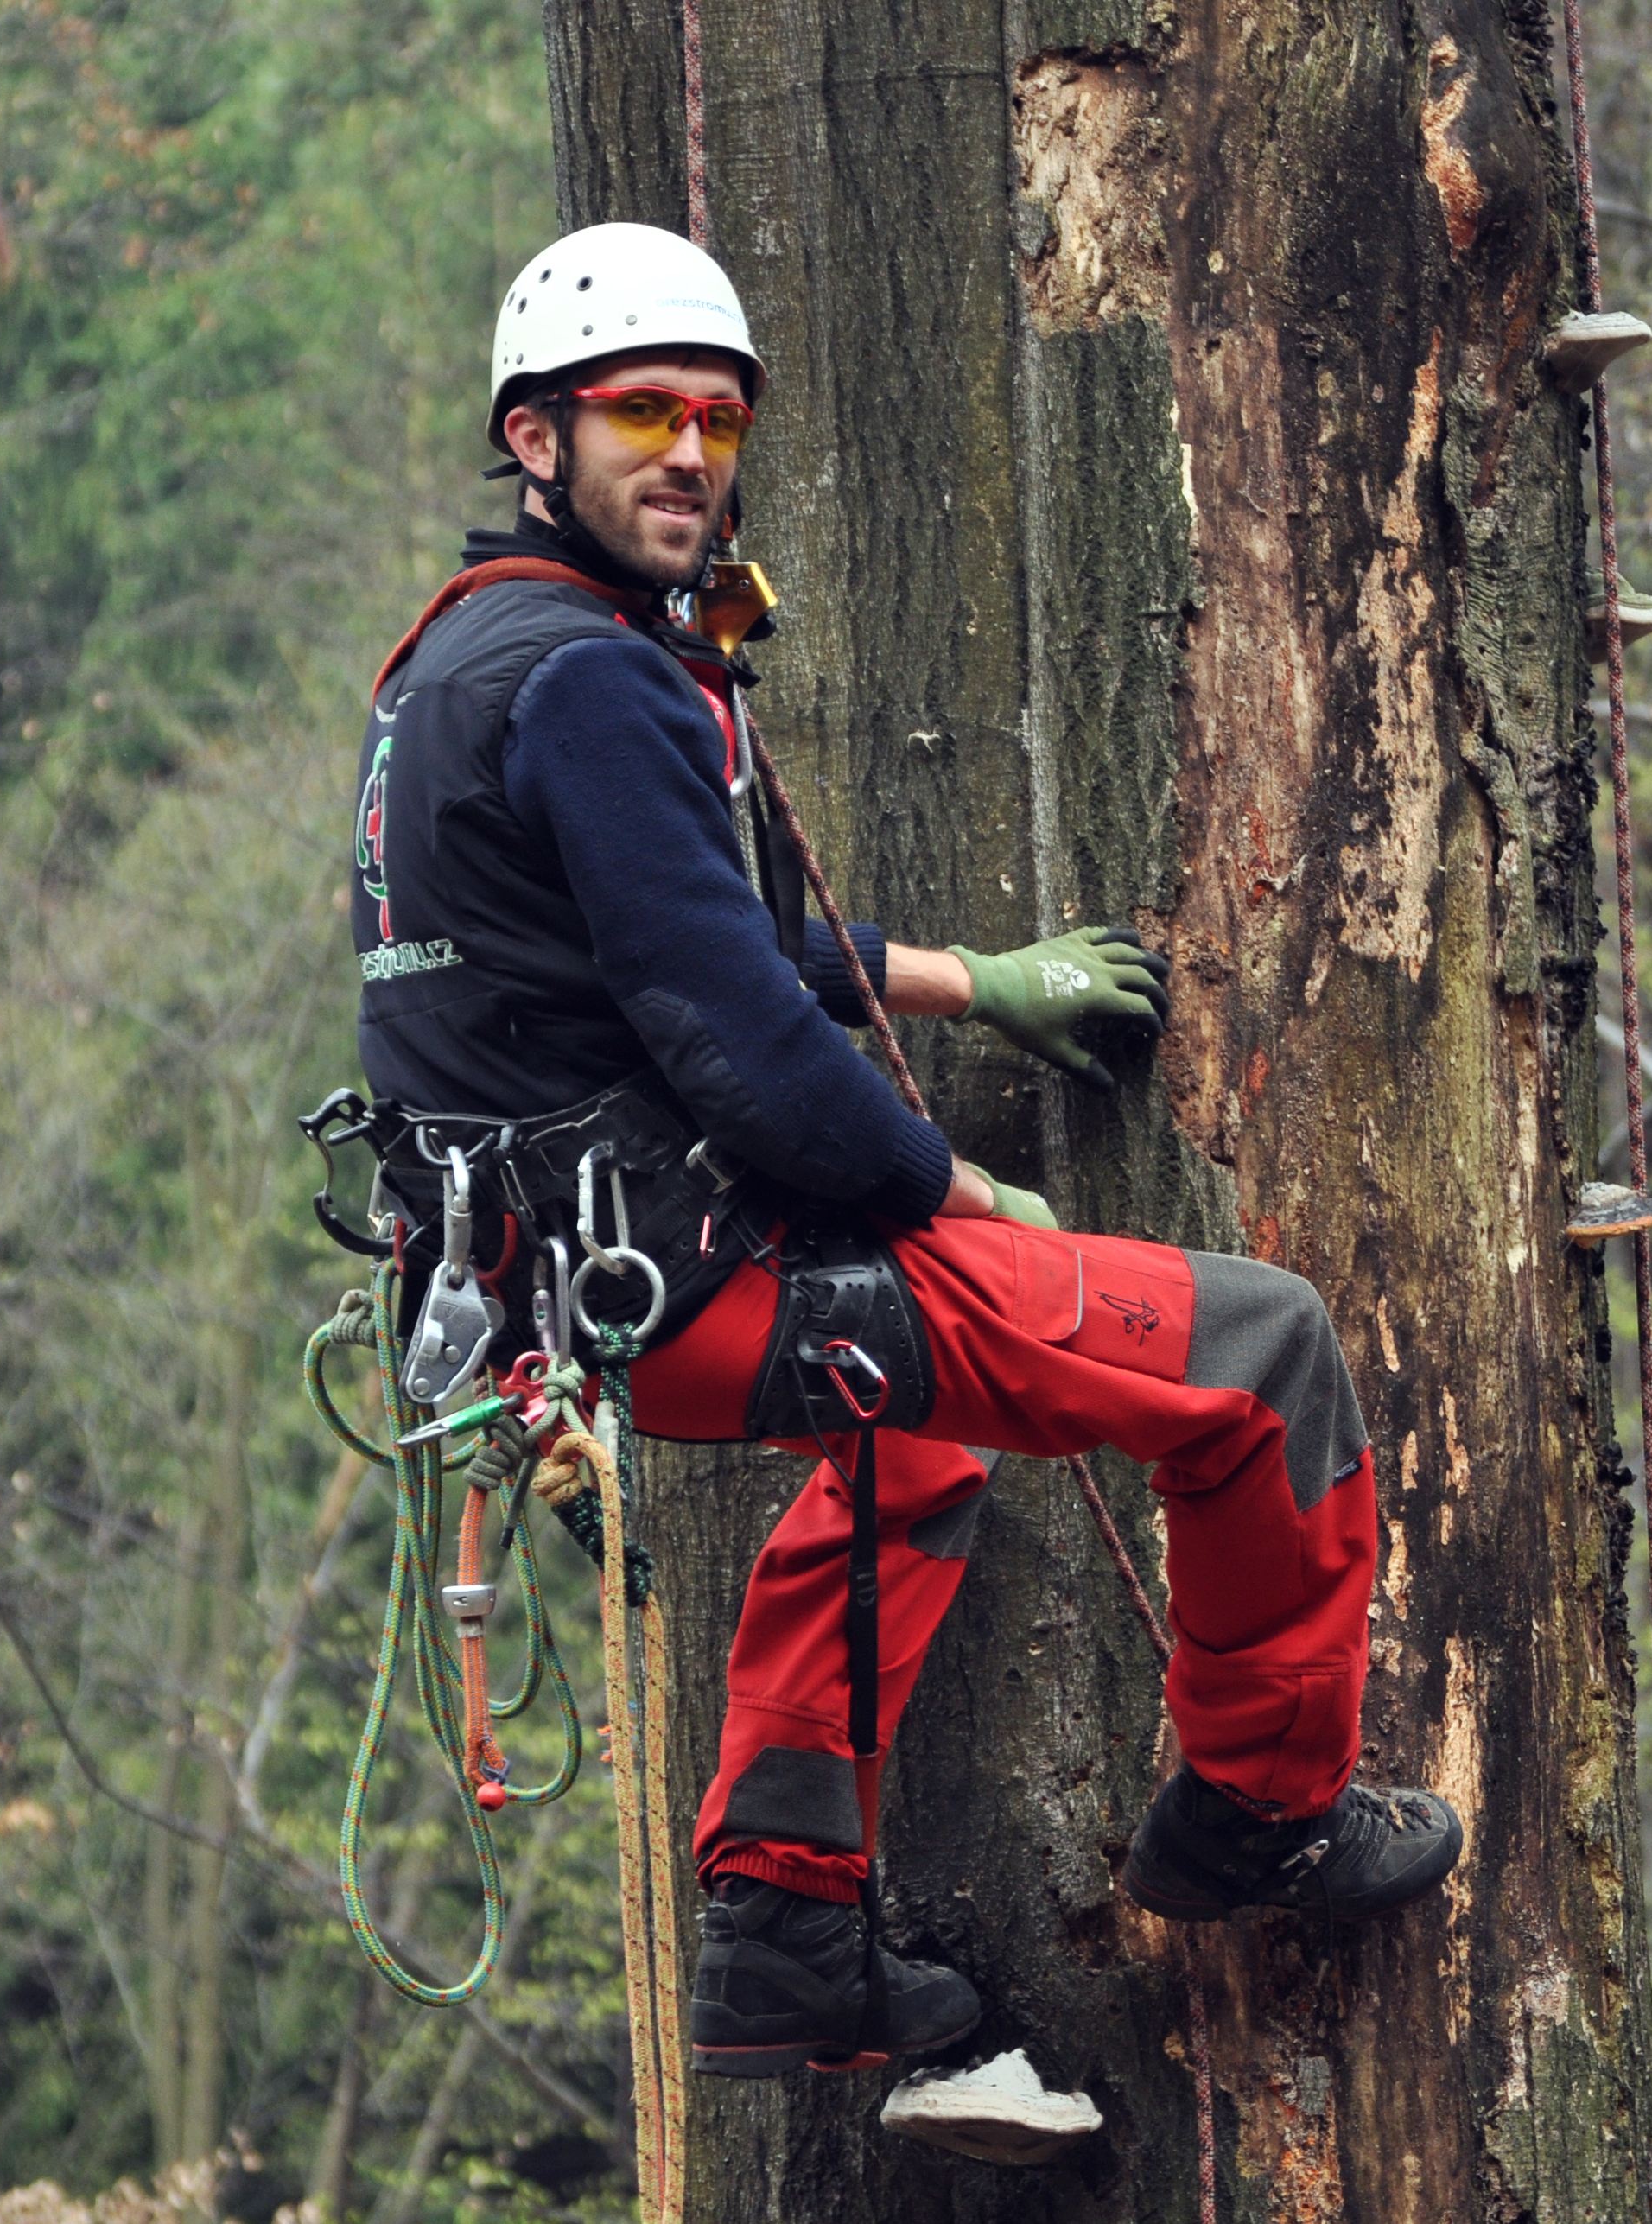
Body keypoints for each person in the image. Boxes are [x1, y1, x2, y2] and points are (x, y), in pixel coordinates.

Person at [344, 221, 1461, 2081]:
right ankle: (1262, 1816)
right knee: (1267, 1357)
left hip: (558, 1285)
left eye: (716, 418)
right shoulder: (598, 682)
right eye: (640, 414)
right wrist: (948, 1188)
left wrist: (971, 984)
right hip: (697, 1265)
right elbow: (743, 1044)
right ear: (534, 441)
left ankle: (783, 1926)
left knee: (920, 1452)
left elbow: (696, 941)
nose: (690, 451)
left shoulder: (455, 671)